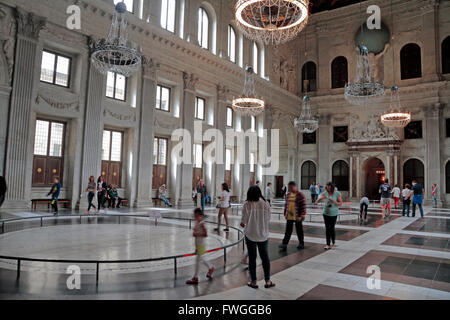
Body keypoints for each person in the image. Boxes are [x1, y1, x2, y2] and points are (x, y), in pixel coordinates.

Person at [240, 186, 275, 289]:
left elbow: (243, 222)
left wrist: (245, 223)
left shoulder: (247, 204)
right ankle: (268, 281)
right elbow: (268, 219)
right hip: (263, 234)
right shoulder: (265, 203)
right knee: (265, 258)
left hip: (250, 234)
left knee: (252, 259)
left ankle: (254, 281)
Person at [186, 208, 215, 285]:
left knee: (198, 260)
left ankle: (196, 277)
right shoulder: (197, 222)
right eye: (194, 216)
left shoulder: (202, 223)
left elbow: (205, 234)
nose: (195, 217)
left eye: (196, 216)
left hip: (201, 244)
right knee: (201, 258)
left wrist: (196, 234)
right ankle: (210, 268)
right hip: (198, 244)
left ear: (200, 215)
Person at [279, 181, 306, 252]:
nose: (290, 189)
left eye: (291, 187)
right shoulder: (288, 195)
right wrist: (285, 213)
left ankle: (301, 243)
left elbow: (303, 205)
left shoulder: (300, 194)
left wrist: (302, 215)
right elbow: (286, 205)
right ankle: (284, 244)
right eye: (289, 187)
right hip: (289, 216)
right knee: (288, 231)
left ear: (294, 186)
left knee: (299, 231)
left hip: (297, 216)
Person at [316, 182, 342, 250]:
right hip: (326, 213)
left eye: (330, 187)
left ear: (332, 187)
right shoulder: (324, 193)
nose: (328, 189)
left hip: (334, 213)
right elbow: (317, 201)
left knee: (332, 228)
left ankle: (333, 242)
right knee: (327, 228)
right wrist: (321, 198)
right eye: (327, 187)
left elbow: (340, 204)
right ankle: (327, 244)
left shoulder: (337, 193)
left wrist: (334, 202)